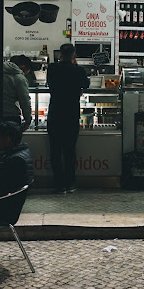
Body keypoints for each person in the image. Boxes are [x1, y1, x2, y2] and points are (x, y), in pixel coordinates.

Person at [46, 44, 89, 194]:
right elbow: (86, 84)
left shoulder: (52, 68)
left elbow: (49, 84)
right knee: (70, 151)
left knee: (55, 151)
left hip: (55, 114)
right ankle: (70, 183)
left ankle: (59, 185)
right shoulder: (78, 70)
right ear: (74, 56)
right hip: (71, 115)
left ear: (60, 55)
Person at [3, 59, 32, 132]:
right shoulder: (20, 78)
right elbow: (24, 100)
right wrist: (28, 120)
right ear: (23, 67)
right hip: (12, 116)